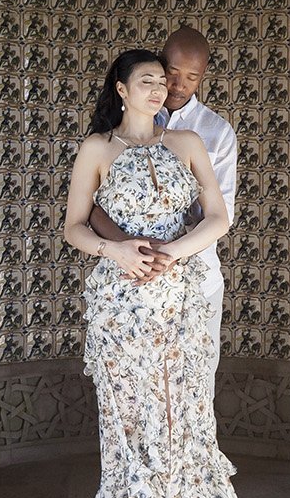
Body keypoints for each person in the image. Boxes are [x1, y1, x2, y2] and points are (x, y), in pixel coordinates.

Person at [63, 48, 262, 498]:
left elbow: (220, 219)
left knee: (178, 427)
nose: (158, 90)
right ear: (121, 90)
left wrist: (174, 254)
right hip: (120, 309)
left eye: (163, 82)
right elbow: (73, 226)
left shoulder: (188, 143)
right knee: (128, 432)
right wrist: (115, 250)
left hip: (182, 306)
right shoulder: (97, 149)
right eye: (146, 81)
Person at [89, 27, 238, 374]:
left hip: (196, 277)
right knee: (133, 386)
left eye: (192, 77)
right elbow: (90, 207)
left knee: (193, 384)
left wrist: (169, 252)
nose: (178, 85)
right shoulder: (118, 124)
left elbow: (222, 213)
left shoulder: (213, 132)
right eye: (171, 73)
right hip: (129, 273)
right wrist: (132, 249)